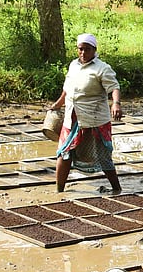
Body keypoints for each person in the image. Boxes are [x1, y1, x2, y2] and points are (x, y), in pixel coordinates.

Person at [50, 33, 122, 195]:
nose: (83, 53)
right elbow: (67, 90)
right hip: (72, 118)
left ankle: (116, 188)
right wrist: (57, 105)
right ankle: (59, 190)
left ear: (94, 50)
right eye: (80, 49)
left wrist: (116, 104)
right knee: (64, 152)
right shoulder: (73, 66)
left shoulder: (102, 68)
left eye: (87, 50)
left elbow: (114, 87)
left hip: (94, 119)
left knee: (103, 156)